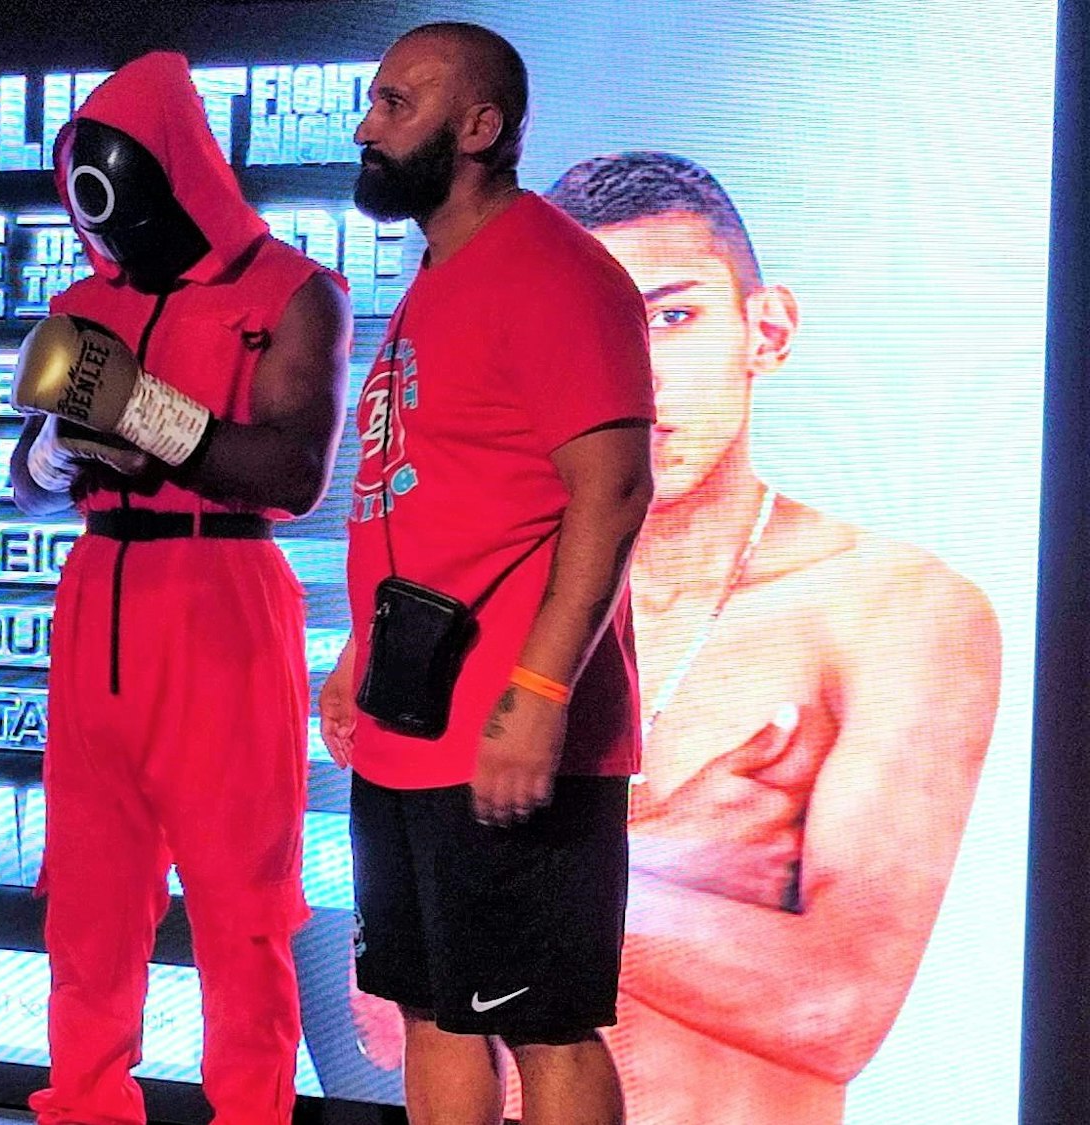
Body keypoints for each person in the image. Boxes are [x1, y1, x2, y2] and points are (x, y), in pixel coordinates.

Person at [540, 150, 1003, 1124]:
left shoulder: (896, 609)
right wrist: (664, 865)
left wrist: (515, 875)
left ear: (768, 328)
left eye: (669, 316)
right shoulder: (487, 594)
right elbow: (381, 1015)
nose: (631, 369)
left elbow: (834, 1004)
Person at [5, 51, 352, 1125]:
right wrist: (52, 462)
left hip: (222, 593)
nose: (104, 226)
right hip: (97, 595)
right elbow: (22, 480)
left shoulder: (295, 292)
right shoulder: (80, 301)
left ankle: (251, 1112)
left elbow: (292, 473)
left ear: (177, 173)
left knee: (238, 903)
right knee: (89, 900)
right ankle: (84, 1104)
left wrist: (144, 416)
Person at [318, 22, 655, 1125]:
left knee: (542, 1022)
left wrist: (540, 695)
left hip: (510, 730)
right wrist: (353, 656)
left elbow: (609, 493)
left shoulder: (556, 270)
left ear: (479, 127)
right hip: (407, 731)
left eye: (395, 105)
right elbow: (432, 499)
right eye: (370, 103)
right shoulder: (434, 280)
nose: (367, 127)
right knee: (428, 1009)